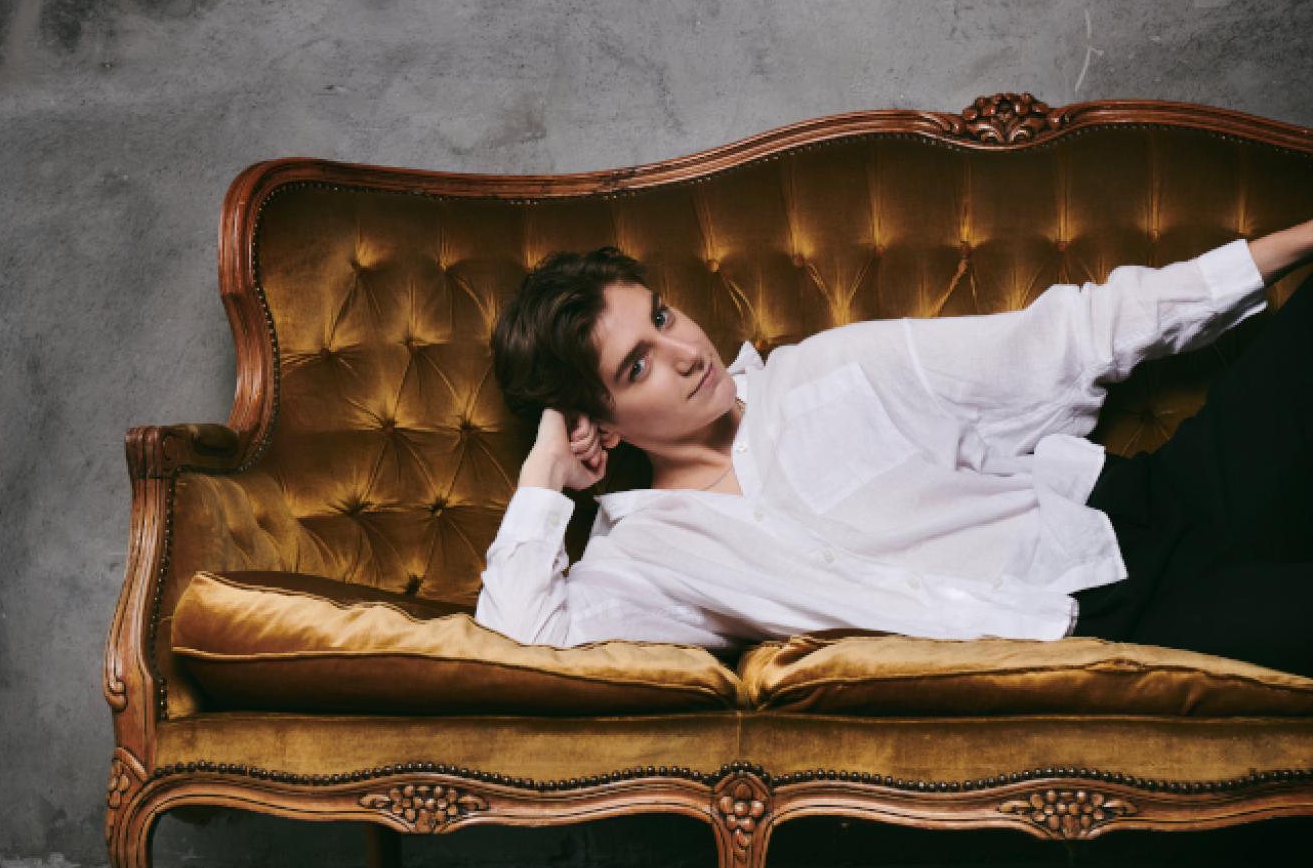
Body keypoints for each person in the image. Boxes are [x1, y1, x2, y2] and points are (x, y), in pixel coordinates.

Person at [473, 219, 1313, 677]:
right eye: (637, 365)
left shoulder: (827, 372)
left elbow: (1068, 337)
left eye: (661, 316)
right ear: (598, 421)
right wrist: (546, 472)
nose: (687, 350)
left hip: (1149, 502)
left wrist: (1295, 243)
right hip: (1117, 618)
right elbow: (518, 649)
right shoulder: (649, 555)